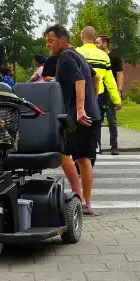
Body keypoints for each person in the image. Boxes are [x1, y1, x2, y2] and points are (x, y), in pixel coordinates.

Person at [45, 24, 101, 215]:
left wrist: (80, 108)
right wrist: (93, 100)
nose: (48, 45)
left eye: (50, 41)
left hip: (79, 116)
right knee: (79, 156)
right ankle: (84, 200)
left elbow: (80, 80)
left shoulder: (66, 57)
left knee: (69, 154)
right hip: (90, 113)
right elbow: (96, 77)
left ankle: (80, 198)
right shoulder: (77, 55)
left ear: (62, 40)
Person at [77, 27, 122, 157]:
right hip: (98, 95)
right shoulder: (103, 56)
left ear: (82, 37)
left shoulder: (75, 53)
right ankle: (96, 148)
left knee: (80, 124)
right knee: (96, 122)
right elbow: (110, 82)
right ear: (94, 37)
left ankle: (81, 153)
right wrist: (117, 100)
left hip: (79, 95)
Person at [97, 36, 124, 154]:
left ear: (105, 43)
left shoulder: (114, 57)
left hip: (110, 92)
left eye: (98, 42)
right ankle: (97, 146)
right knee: (97, 119)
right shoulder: (97, 57)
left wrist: (119, 91)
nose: (96, 44)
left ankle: (114, 146)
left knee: (112, 119)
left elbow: (120, 74)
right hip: (98, 91)